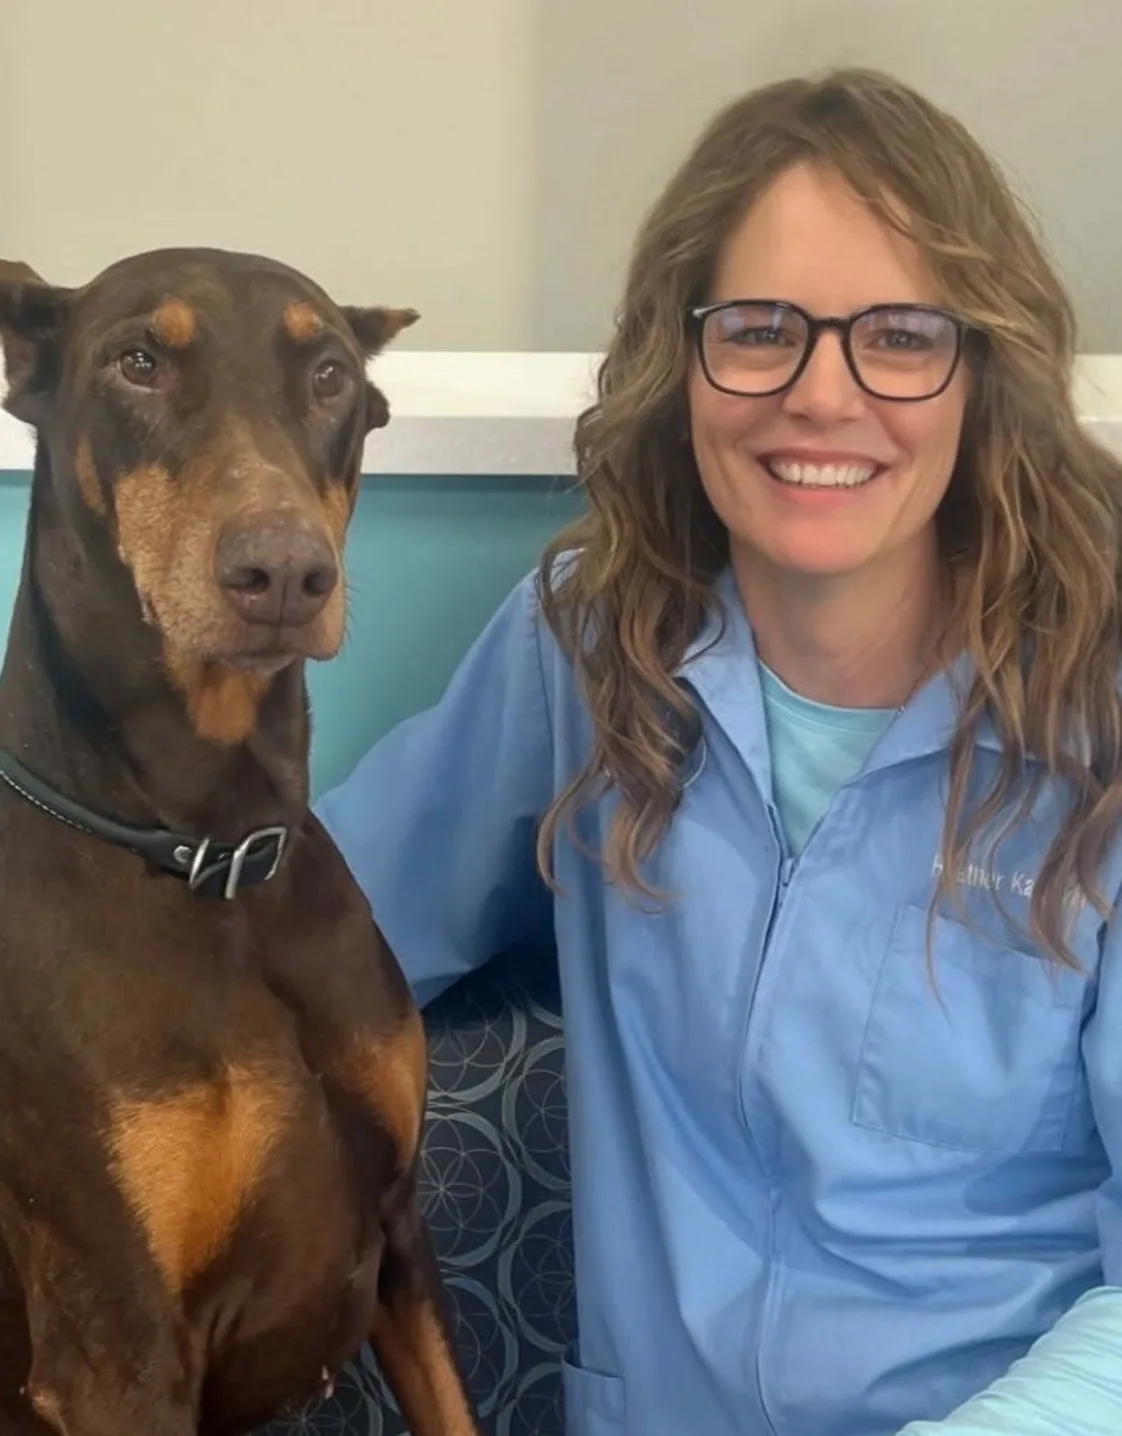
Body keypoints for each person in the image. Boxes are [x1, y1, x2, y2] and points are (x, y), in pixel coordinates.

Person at [315, 68, 1122, 1436]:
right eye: (758, 330)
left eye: (899, 335)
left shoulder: (1093, 709)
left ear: (980, 374)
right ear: (679, 361)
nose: (820, 395)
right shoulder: (585, 643)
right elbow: (311, 932)